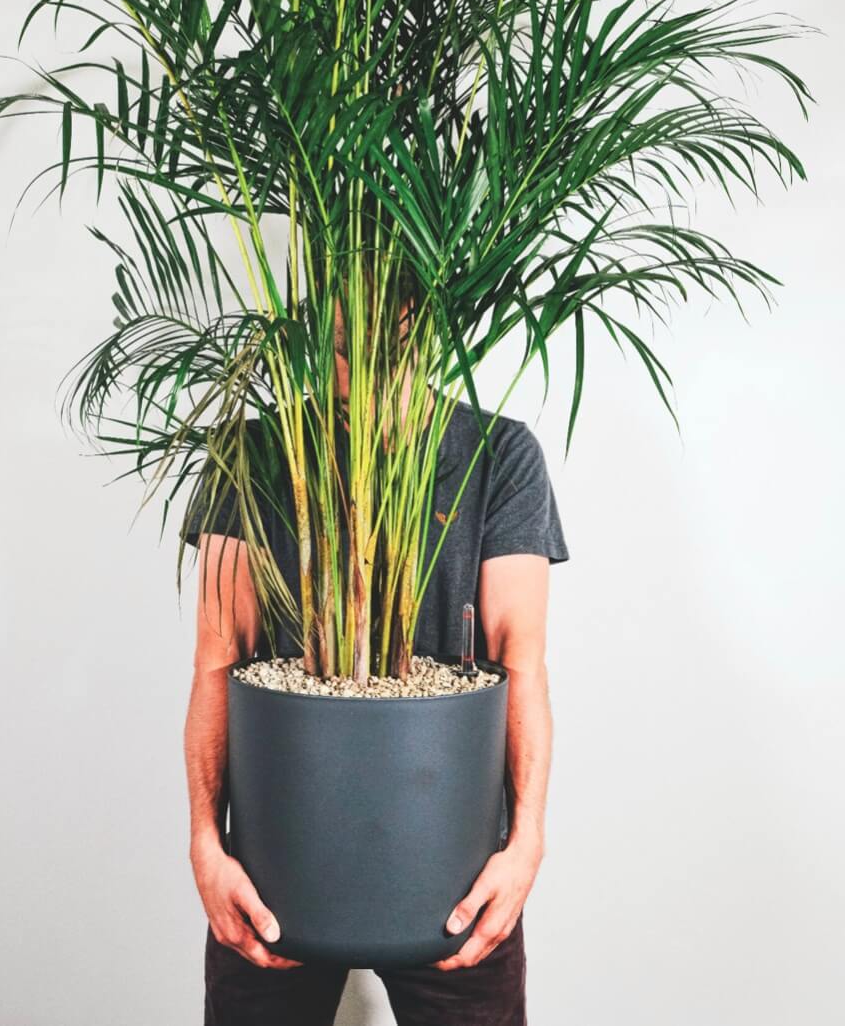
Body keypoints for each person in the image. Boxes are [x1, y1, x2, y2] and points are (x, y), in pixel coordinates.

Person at [183, 320, 569, 1026]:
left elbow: (523, 664)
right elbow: (216, 661)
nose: (386, 299)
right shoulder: (254, 452)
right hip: (273, 871)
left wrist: (526, 845)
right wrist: (206, 845)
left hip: (455, 871)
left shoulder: (499, 452)